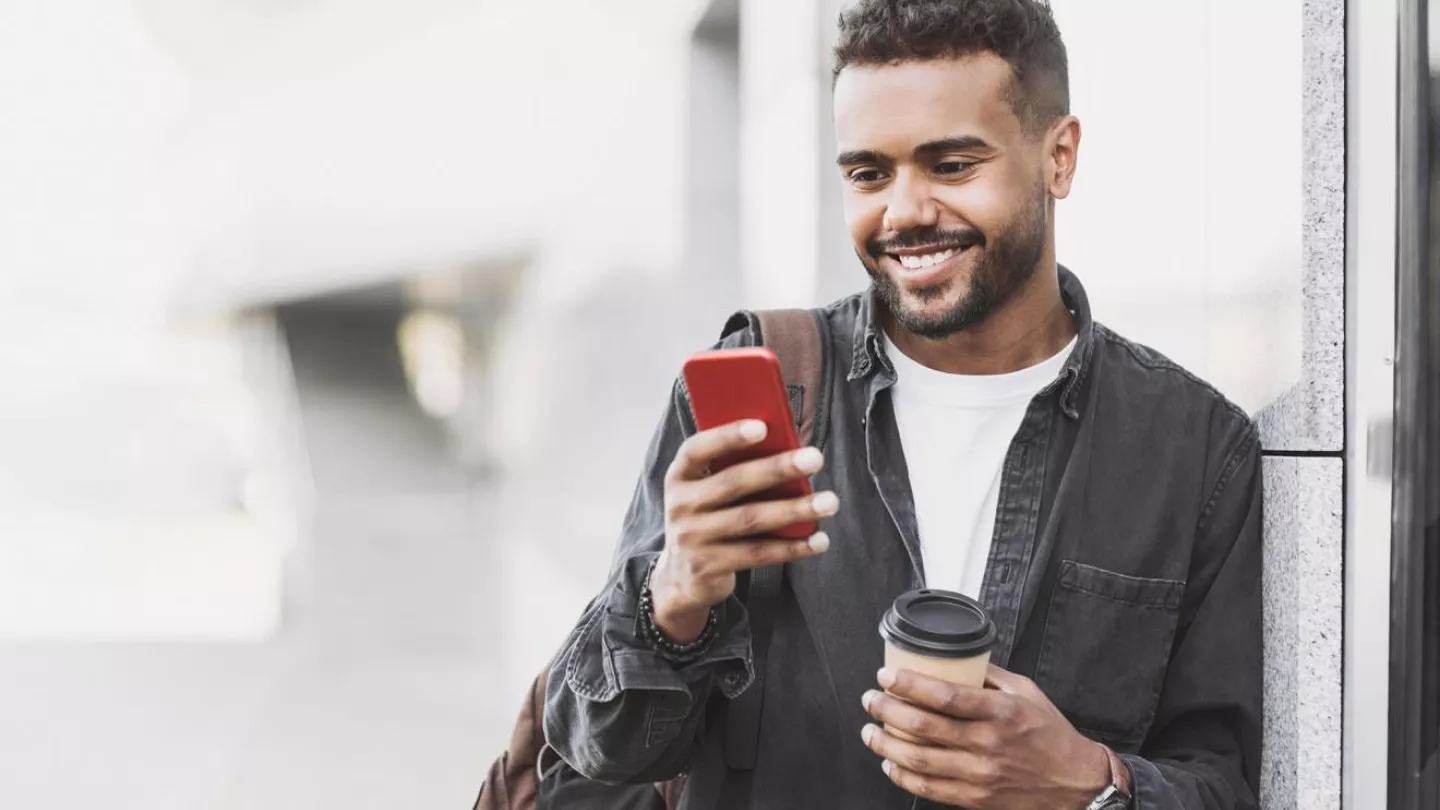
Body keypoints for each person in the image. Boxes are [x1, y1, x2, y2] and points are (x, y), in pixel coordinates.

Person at [543, 1, 1263, 807]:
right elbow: (594, 748)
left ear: (1058, 158)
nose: (904, 212)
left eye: (952, 165)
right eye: (868, 173)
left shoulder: (1193, 450)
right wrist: (673, 597)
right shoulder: (756, 393)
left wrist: (1088, 784)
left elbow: (1224, 783)